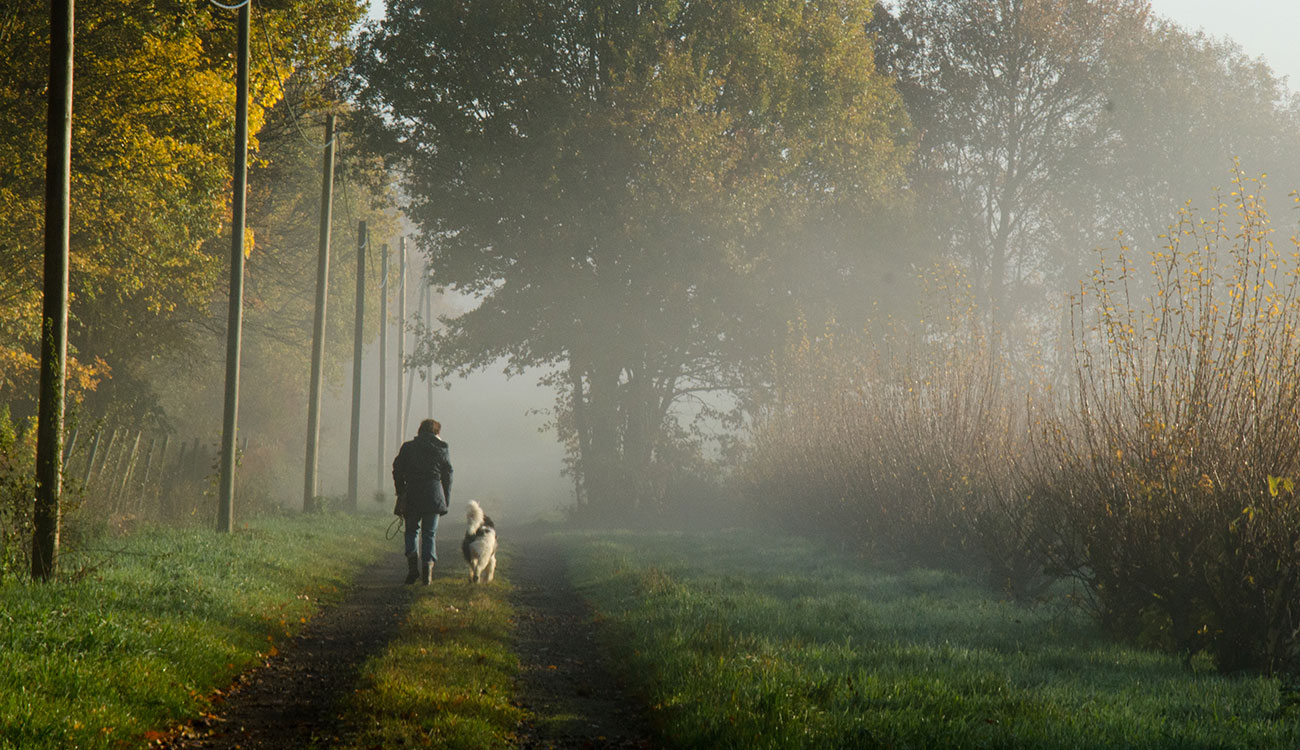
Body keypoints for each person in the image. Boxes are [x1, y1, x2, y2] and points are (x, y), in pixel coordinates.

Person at [392, 418, 453, 585]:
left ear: (420, 431)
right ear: (437, 432)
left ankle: (413, 568)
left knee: (411, 532)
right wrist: (445, 498)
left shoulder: (408, 447)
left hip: (412, 494)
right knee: (429, 534)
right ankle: (427, 573)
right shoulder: (442, 448)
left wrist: (401, 491)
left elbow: (397, 469)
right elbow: (448, 475)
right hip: (434, 495)